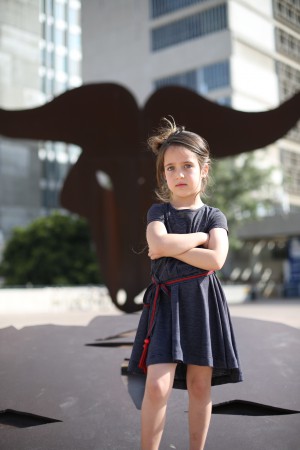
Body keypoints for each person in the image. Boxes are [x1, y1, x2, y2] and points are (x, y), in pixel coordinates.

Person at [128, 117, 243, 450]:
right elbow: (157, 247)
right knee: (157, 386)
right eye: (170, 168)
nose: (178, 174)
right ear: (163, 173)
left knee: (199, 386)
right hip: (164, 306)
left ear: (204, 169)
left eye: (187, 166)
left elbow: (216, 260)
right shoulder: (158, 212)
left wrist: (175, 247)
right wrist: (197, 239)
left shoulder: (215, 216)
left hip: (202, 304)